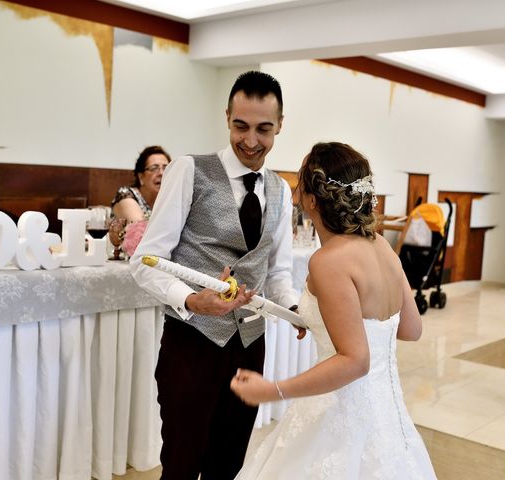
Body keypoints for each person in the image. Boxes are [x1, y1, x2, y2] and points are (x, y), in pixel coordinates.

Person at [130, 71, 300, 479]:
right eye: (240, 126)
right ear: (227, 117)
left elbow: (277, 271)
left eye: (264, 129)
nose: (251, 140)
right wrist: (190, 299)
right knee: (183, 463)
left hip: (250, 345)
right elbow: (145, 260)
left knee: (229, 463)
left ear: (280, 125)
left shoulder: (281, 190)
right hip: (192, 342)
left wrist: (294, 309)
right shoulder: (189, 170)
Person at [230, 142, 437, 479]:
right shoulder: (382, 246)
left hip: (339, 416)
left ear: (311, 200)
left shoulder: (328, 262)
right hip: (387, 421)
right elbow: (411, 329)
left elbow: (355, 360)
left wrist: (273, 389)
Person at [111, 145, 171, 221]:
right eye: (154, 168)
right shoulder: (126, 195)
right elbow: (139, 228)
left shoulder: (169, 199)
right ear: (141, 177)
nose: (161, 173)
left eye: (166, 168)